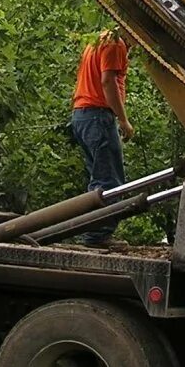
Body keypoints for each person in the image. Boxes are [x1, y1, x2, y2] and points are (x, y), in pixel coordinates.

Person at [69, 28, 134, 246]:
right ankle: (98, 236)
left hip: (82, 115)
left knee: (97, 180)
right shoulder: (115, 43)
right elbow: (108, 81)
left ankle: (92, 231)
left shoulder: (97, 39)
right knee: (109, 181)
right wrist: (123, 119)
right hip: (98, 116)